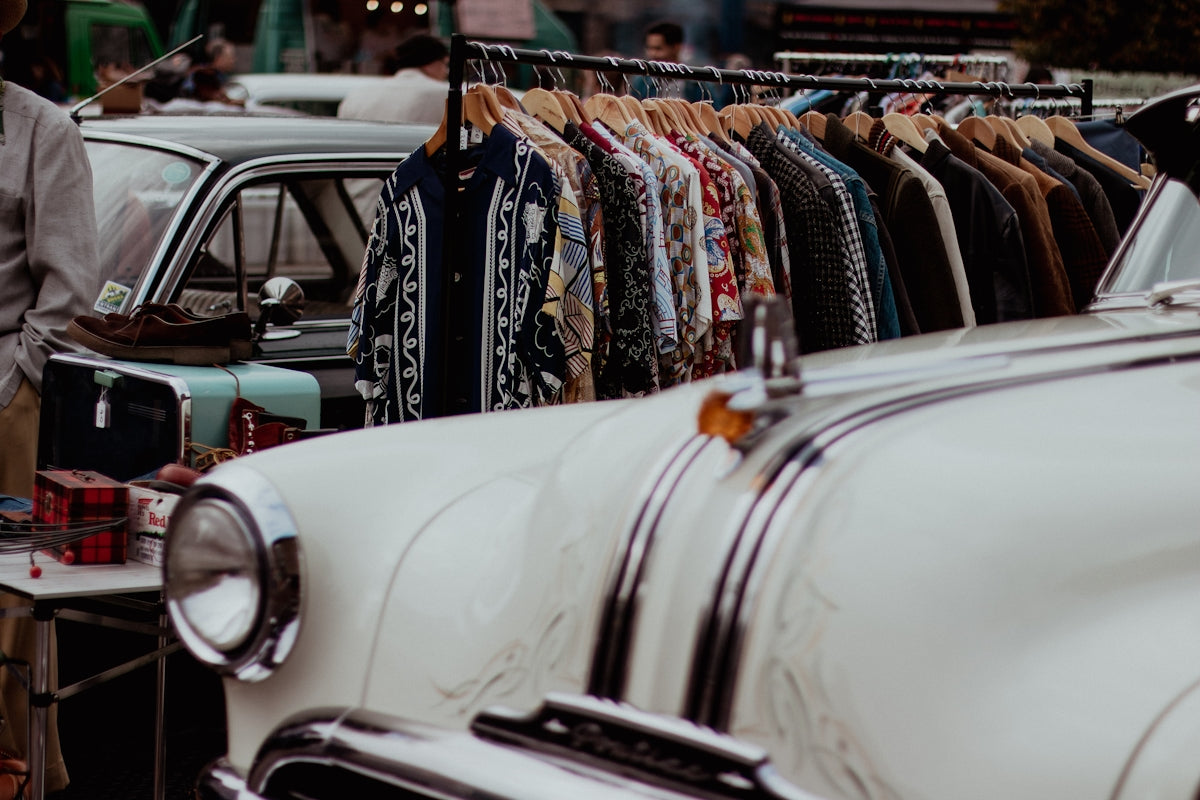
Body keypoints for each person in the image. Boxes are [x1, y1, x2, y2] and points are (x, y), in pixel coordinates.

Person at [0, 0, 102, 794]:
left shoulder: (43, 130)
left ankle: (25, 773)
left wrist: (12, 387)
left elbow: (67, 291)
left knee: (8, 603)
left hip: (6, 394)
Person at [337, 33, 449, 125]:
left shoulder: (357, 94)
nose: (446, 71)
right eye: (445, 64)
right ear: (429, 63)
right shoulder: (444, 94)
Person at [631, 20, 703, 103]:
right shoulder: (641, 82)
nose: (652, 54)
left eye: (658, 49)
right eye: (649, 48)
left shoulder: (698, 83)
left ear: (676, 47)